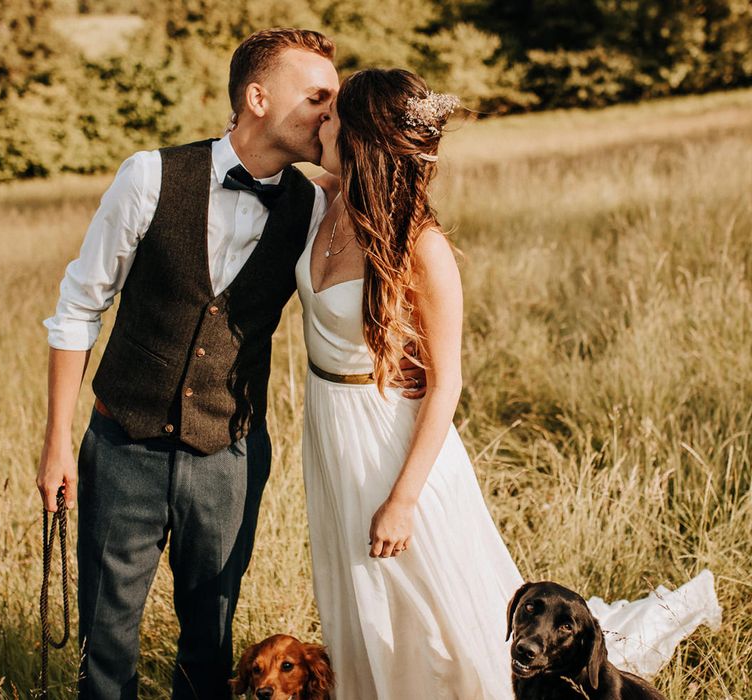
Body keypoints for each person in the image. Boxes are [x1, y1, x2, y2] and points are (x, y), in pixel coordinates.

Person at [296, 68, 722, 699]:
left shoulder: (421, 245)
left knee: (433, 604)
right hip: (332, 428)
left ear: (361, 140)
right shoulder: (328, 197)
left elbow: (447, 382)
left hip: (394, 443)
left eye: (331, 116)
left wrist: (404, 500)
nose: (318, 122)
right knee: (360, 590)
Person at [36, 28, 344, 700]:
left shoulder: (317, 205)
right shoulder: (149, 174)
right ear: (257, 97)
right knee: (106, 636)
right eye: (318, 96)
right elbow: (78, 307)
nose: (330, 110)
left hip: (229, 454)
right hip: (122, 444)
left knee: (211, 634)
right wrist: (58, 441)